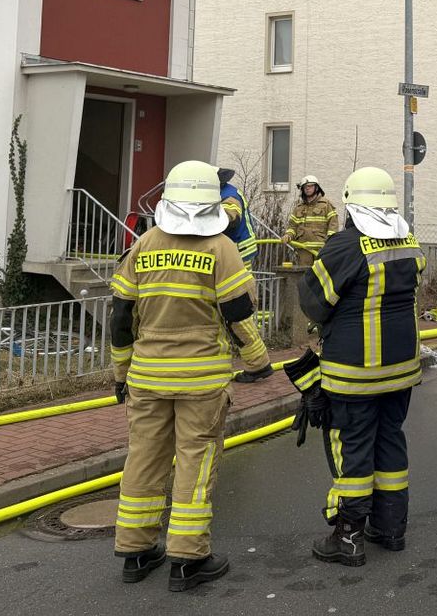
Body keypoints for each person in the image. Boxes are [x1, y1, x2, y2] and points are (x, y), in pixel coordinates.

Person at [110, 160, 255, 591]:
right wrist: (258, 361)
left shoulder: (144, 244)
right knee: (195, 460)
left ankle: (136, 553)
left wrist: (120, 373)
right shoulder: (220, 247)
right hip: (201, 381)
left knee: (144, 457)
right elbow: (238, 313)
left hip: (147, 377)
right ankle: (188, 561)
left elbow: (120, 317)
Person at [298, 167, 424, 567]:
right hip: (401, 369)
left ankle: (348, 535)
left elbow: (313, 302)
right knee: (390, 440)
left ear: (351, 205)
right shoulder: (409, 241)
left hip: (354, 373)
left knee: (352, 448)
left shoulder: (344, 246)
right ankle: (390, 528)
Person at [216, 169, 273, 384]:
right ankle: (256, 363)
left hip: (237, 256)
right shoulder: (224, 192)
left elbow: (229, 217)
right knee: (231, 310)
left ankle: (258, 364)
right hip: (233, 254)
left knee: (236, 310)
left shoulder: (228, 195)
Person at [284, 175, 340, 268]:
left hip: (321, 250)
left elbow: (333, 225)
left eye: (310, 186)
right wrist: (288, 235)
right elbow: (292, 226)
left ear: (316, 188)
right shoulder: (298, 208)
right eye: (305, 187)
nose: (307, 188)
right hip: (303, 250)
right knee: (304, 274)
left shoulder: (326, 205)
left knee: (321, 274)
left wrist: (330, 244)